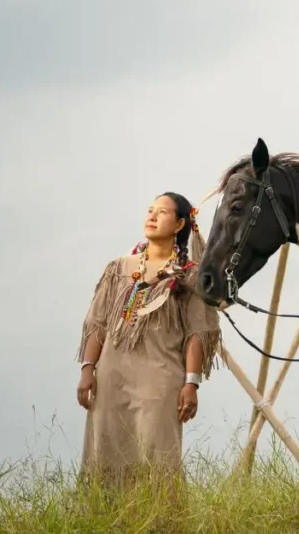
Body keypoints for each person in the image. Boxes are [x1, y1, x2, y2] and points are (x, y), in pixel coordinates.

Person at [76, 192, 222, 490]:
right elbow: (98, 321)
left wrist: (191, 383)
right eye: (150, 210)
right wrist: (88, 369)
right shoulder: (119, 267)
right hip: (111, 379)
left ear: (181, 223)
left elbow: (197, 332)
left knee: (158, 458)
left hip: (159, 380)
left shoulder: (189, 276)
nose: (152, 216)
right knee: (106, 455)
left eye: (162, 212)